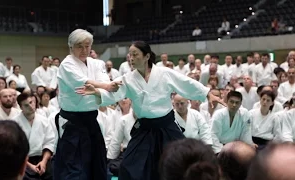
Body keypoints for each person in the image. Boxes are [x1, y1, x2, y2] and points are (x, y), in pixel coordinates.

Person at [77, 41, 223, 180]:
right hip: (144, 129)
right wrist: (97, 92)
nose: (131, 58)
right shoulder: (127, 79)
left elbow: (186, 84)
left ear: (147, 56)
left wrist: (207, 94)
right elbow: (113, 92)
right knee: (129, 166)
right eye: (130, 55)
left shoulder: (164, 73)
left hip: (167, 127)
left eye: (135, 54)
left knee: (180, 163)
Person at [53, 29, 120, 180]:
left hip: (91, 120)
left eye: (87, 46)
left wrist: (100, 89)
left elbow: (106, 89)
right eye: (79, 46)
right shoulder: (66, 64)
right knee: (74, 168)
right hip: (72, 123)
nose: (84, 50)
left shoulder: (97, 64)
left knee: (97, 164)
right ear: (70, 47)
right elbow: (84, 82)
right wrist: (106, 87)